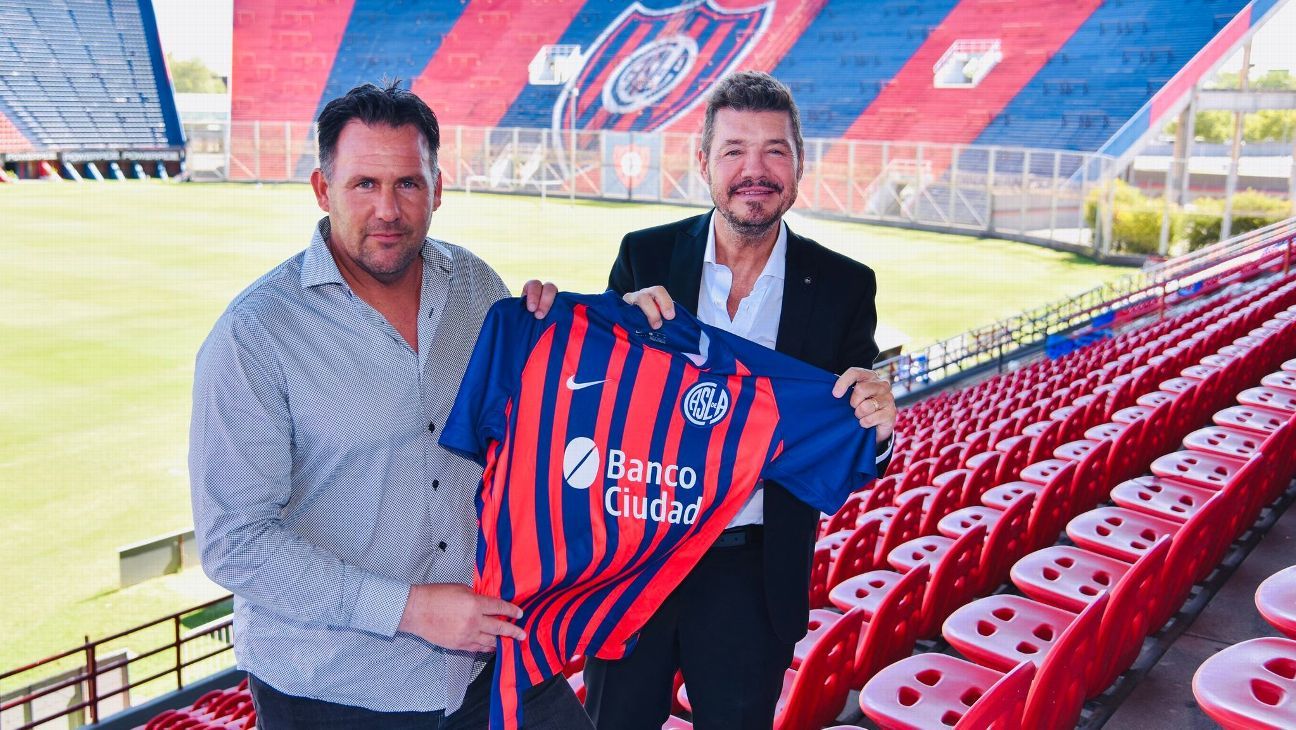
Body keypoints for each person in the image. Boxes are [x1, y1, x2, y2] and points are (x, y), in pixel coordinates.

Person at [189, 81, 594, 729]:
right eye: (364, 185)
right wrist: (409, 609)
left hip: (489, 663)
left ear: (438, 188)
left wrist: (603, 334)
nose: (388, 209)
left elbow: (527, 431)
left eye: (408, 183)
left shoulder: (475, 286)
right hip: (337, 689)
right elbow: (234, 541)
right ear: (322, 190)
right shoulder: (255, 334)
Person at [582, 71, 898, 729]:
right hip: (638, 558)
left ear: (799, 164)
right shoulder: (645, 257)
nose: (755, 171)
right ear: (703, 163)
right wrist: (609, 337)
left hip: (753, 572)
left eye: (774, 150)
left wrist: (879, 426)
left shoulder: (844, 286)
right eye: (734, 151)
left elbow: (848, 439)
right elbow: (595, 402)